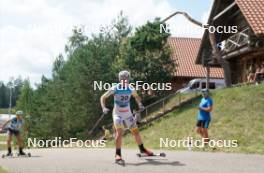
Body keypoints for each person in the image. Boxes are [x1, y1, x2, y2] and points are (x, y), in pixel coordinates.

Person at [100, 70, 153, 162]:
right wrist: (103, 107)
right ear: (120, 80)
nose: (125, 81)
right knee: (120, 132)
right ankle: (118, 154)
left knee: (136, 132)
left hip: (128, 114)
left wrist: (140, 104)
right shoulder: (115, 88)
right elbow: (103, 97)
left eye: (127, 79)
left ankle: (142, 149)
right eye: (123, 79)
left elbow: (136, 96)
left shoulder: (131, 88)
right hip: (118, 114)